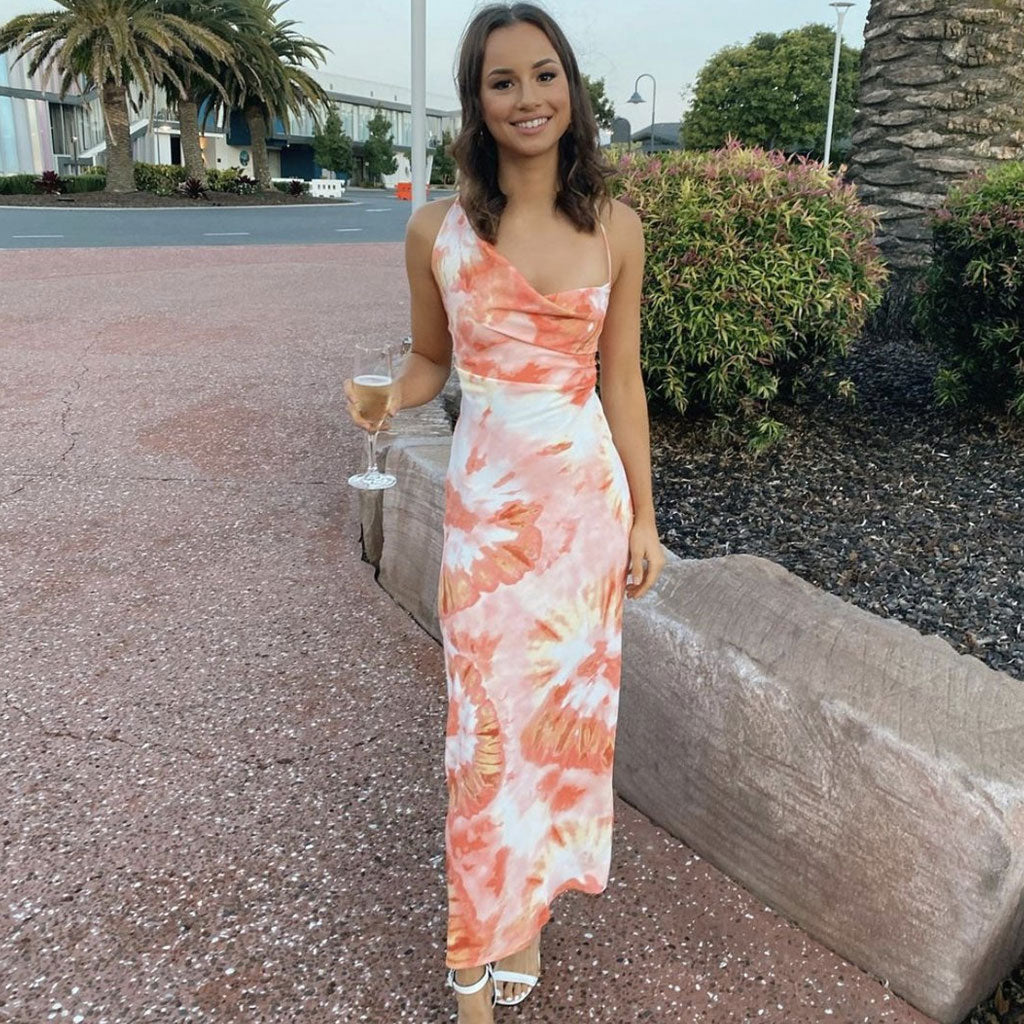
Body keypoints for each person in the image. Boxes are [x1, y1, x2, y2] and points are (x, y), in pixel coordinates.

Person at [345, 3, 665, 1019]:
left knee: (557, 732)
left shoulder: (616, 227)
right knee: (479, 735)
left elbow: (621, 382)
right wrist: (388, 396)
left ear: (571, 89)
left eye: (542, 76)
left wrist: (646, 519)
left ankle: (519, 915)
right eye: (501, 81)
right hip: (488, 522)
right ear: (475, 104)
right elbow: (432, 360)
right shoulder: (434, 229)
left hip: (583, 517)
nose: (526, 97)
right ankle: (469, 952)